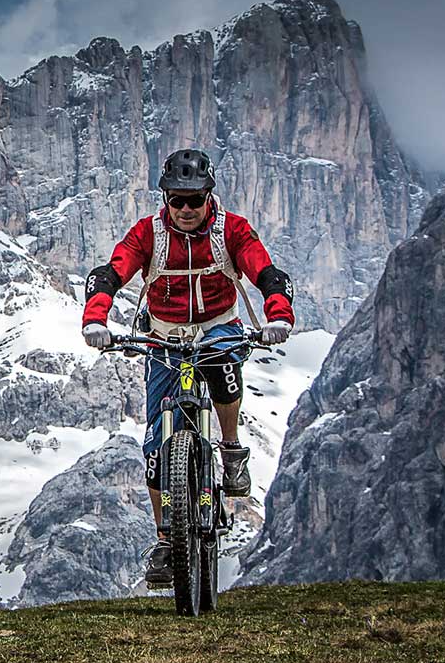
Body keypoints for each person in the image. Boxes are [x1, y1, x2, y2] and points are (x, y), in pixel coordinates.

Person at [80, 148, 296, 587]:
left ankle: (231, 449)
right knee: (156, 448)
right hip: (163, 336)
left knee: (221, 366)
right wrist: (96, 319)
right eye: (176, 200)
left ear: (208, 196)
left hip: (219, 327)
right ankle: (166, 539)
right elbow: (110, 274)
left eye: (194, 200)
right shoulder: (149, 234)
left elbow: (267, 274)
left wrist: (278, 316)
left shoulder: (231, 231)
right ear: (165, 199)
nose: (185, 210)